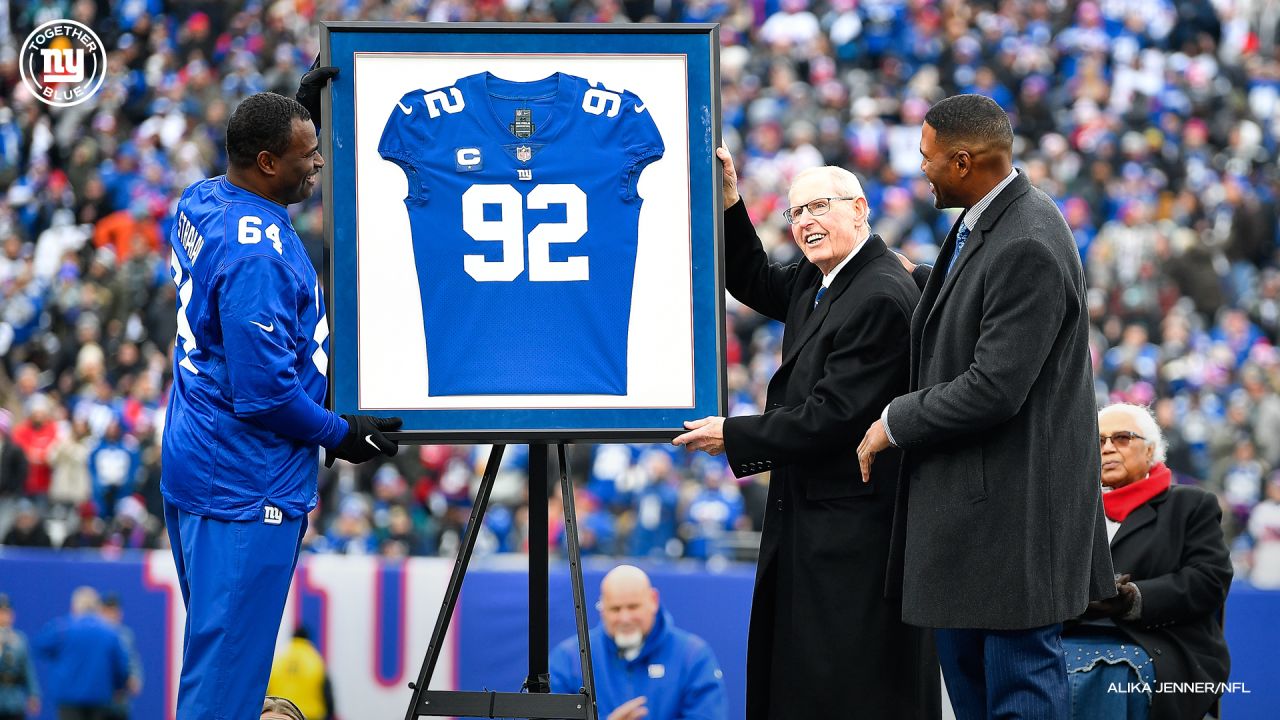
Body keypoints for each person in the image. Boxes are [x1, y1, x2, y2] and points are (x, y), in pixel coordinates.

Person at [856, 93, 1115, 720]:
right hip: (977, 526)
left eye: (928, 157)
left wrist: (894, 422)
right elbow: (977, 308)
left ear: (964, 161)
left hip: (1014, 527)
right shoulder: (990, 219)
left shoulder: (1028, 238)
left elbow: (995, 387)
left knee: (1017, 697)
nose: (920, 169)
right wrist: (919, 277)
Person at [160, 91, 403, 720]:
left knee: (219, 658)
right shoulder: (256, 254)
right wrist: (341, 435)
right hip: (245, 483)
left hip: (199, 458)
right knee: (225, 687)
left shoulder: (204, 197)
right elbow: (265, 393)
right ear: (266, 163)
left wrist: (287, 118)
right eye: (307, 154)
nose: (318, 163)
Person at [674, 148, 938, 718]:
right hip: (817, 520)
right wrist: (730, 202)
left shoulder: (881, 293)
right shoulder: (824, 277)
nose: (805, 223)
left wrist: (736, 435)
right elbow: (751, 278)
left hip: (855, 535)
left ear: (861, 210)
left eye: (819, 206)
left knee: (844, 683)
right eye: (796, 213)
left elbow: (834, 416)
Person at [1061, 403, 1232, 720]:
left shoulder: (1190, 504)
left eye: (1122, 438)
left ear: (1151, 450)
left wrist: (1133, 599)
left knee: (1105, 676)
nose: (1108, 448)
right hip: (1071, 634)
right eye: (1098, 441)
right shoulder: (1071, 511)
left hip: (1162, 642)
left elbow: (1209, 581)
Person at [549, 565, 728, 720]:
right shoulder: (570, 658)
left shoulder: (693, 656)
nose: (625, 618)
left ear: (654, 600)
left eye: (633, 607)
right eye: (615, 609)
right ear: (602, 609)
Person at [33, 587, 130, 720]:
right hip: (100, 698)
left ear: (74, 606)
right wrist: (119, 686)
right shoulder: (109, 631)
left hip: (69, 698)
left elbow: (40, 645)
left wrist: (59, 657)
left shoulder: (63, 628)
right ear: (97, 607)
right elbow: (121, 666)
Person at [266, 627, 334, 720]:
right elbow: (327, 692)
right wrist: (330, 714)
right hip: (311, 715)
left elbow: (267, 689)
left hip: (284, 713)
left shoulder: (279, 659)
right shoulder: (315, 660)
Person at [99, 595, 141, 720]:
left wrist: (135, 677)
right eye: (108, 611)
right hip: (99, 698)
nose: (112, 614)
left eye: (115, 611)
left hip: (120, 699)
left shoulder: (125, 635)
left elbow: (132, 661)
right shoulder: (96, 636)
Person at [0, 594, 40, 720]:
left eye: (7, 612)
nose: (4, 616)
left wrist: (33, 694)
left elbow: (27, 668)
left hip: (15, 698)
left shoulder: (19, 639)